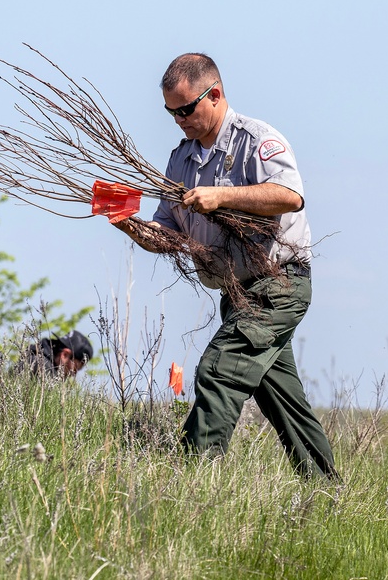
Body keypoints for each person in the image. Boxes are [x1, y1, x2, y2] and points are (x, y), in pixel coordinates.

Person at [114, 53, 337, 478]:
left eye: (186, 109)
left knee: (218, 368)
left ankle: (192, 480)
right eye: (170, 112)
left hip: (279, 284)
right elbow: (169, 237)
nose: (179, 119)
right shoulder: (180, 161)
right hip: (237, 294)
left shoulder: (257, 140)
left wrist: (221, 196)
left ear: (214, 95)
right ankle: (326, 491)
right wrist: (126, 224)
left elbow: (289, 196)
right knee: (280, 399)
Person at [22, 330, 94, 379]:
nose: (74, 375)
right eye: (75, 369)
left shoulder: (34, 359)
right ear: (65, 355)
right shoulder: (43, 368)